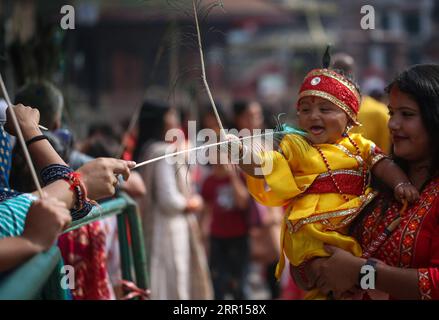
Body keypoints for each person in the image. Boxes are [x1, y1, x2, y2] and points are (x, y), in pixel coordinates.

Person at [232, 64, 419, 299]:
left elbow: (384, 164)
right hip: (311, 239)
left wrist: (400, 184)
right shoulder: (295, 145)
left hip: (355, 231)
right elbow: (264, 166)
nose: (314, 116)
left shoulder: (359, 146)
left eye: (325, 109)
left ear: (350, 119)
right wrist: (240, 154)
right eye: (306, 109)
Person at [291, 64, 439, 300]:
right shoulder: (370, 179)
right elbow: (302, 269)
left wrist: (362, 273)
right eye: (392, 113)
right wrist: (319, 268)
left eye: (407, 114)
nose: (392, 124)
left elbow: (435, 284)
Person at [134, 99, 213, 300]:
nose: (175, 120)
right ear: (161, 120)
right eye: (171, 115)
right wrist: (192, 203)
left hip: (167, 225)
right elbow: (168, 200)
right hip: (169, 227)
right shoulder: (162, 152)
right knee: (172, 281)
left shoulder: (151, 149)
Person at [331, 53, 391, 154]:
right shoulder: (318, 114)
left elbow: (386, 156)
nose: (341, 76)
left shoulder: (380, 112)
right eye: (337, 71)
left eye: (344, 70)